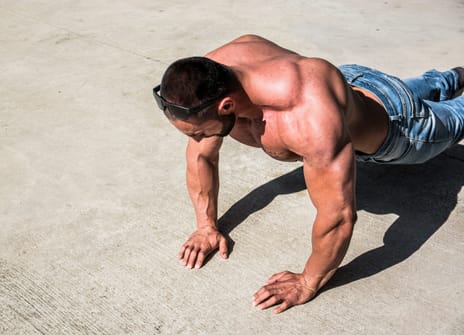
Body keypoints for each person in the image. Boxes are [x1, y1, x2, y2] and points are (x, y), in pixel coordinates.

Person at [153, 34, 464, 314]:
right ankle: (450, 77)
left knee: (455, 117)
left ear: (226, 106)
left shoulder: (305, 115)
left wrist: (308, 281)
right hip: (351, 83)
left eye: (197, 133)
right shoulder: (207, 76)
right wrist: (206, 226)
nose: (196, 141)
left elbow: (338, 216)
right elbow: (201, 158)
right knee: (421, 86)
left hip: (401, 128)